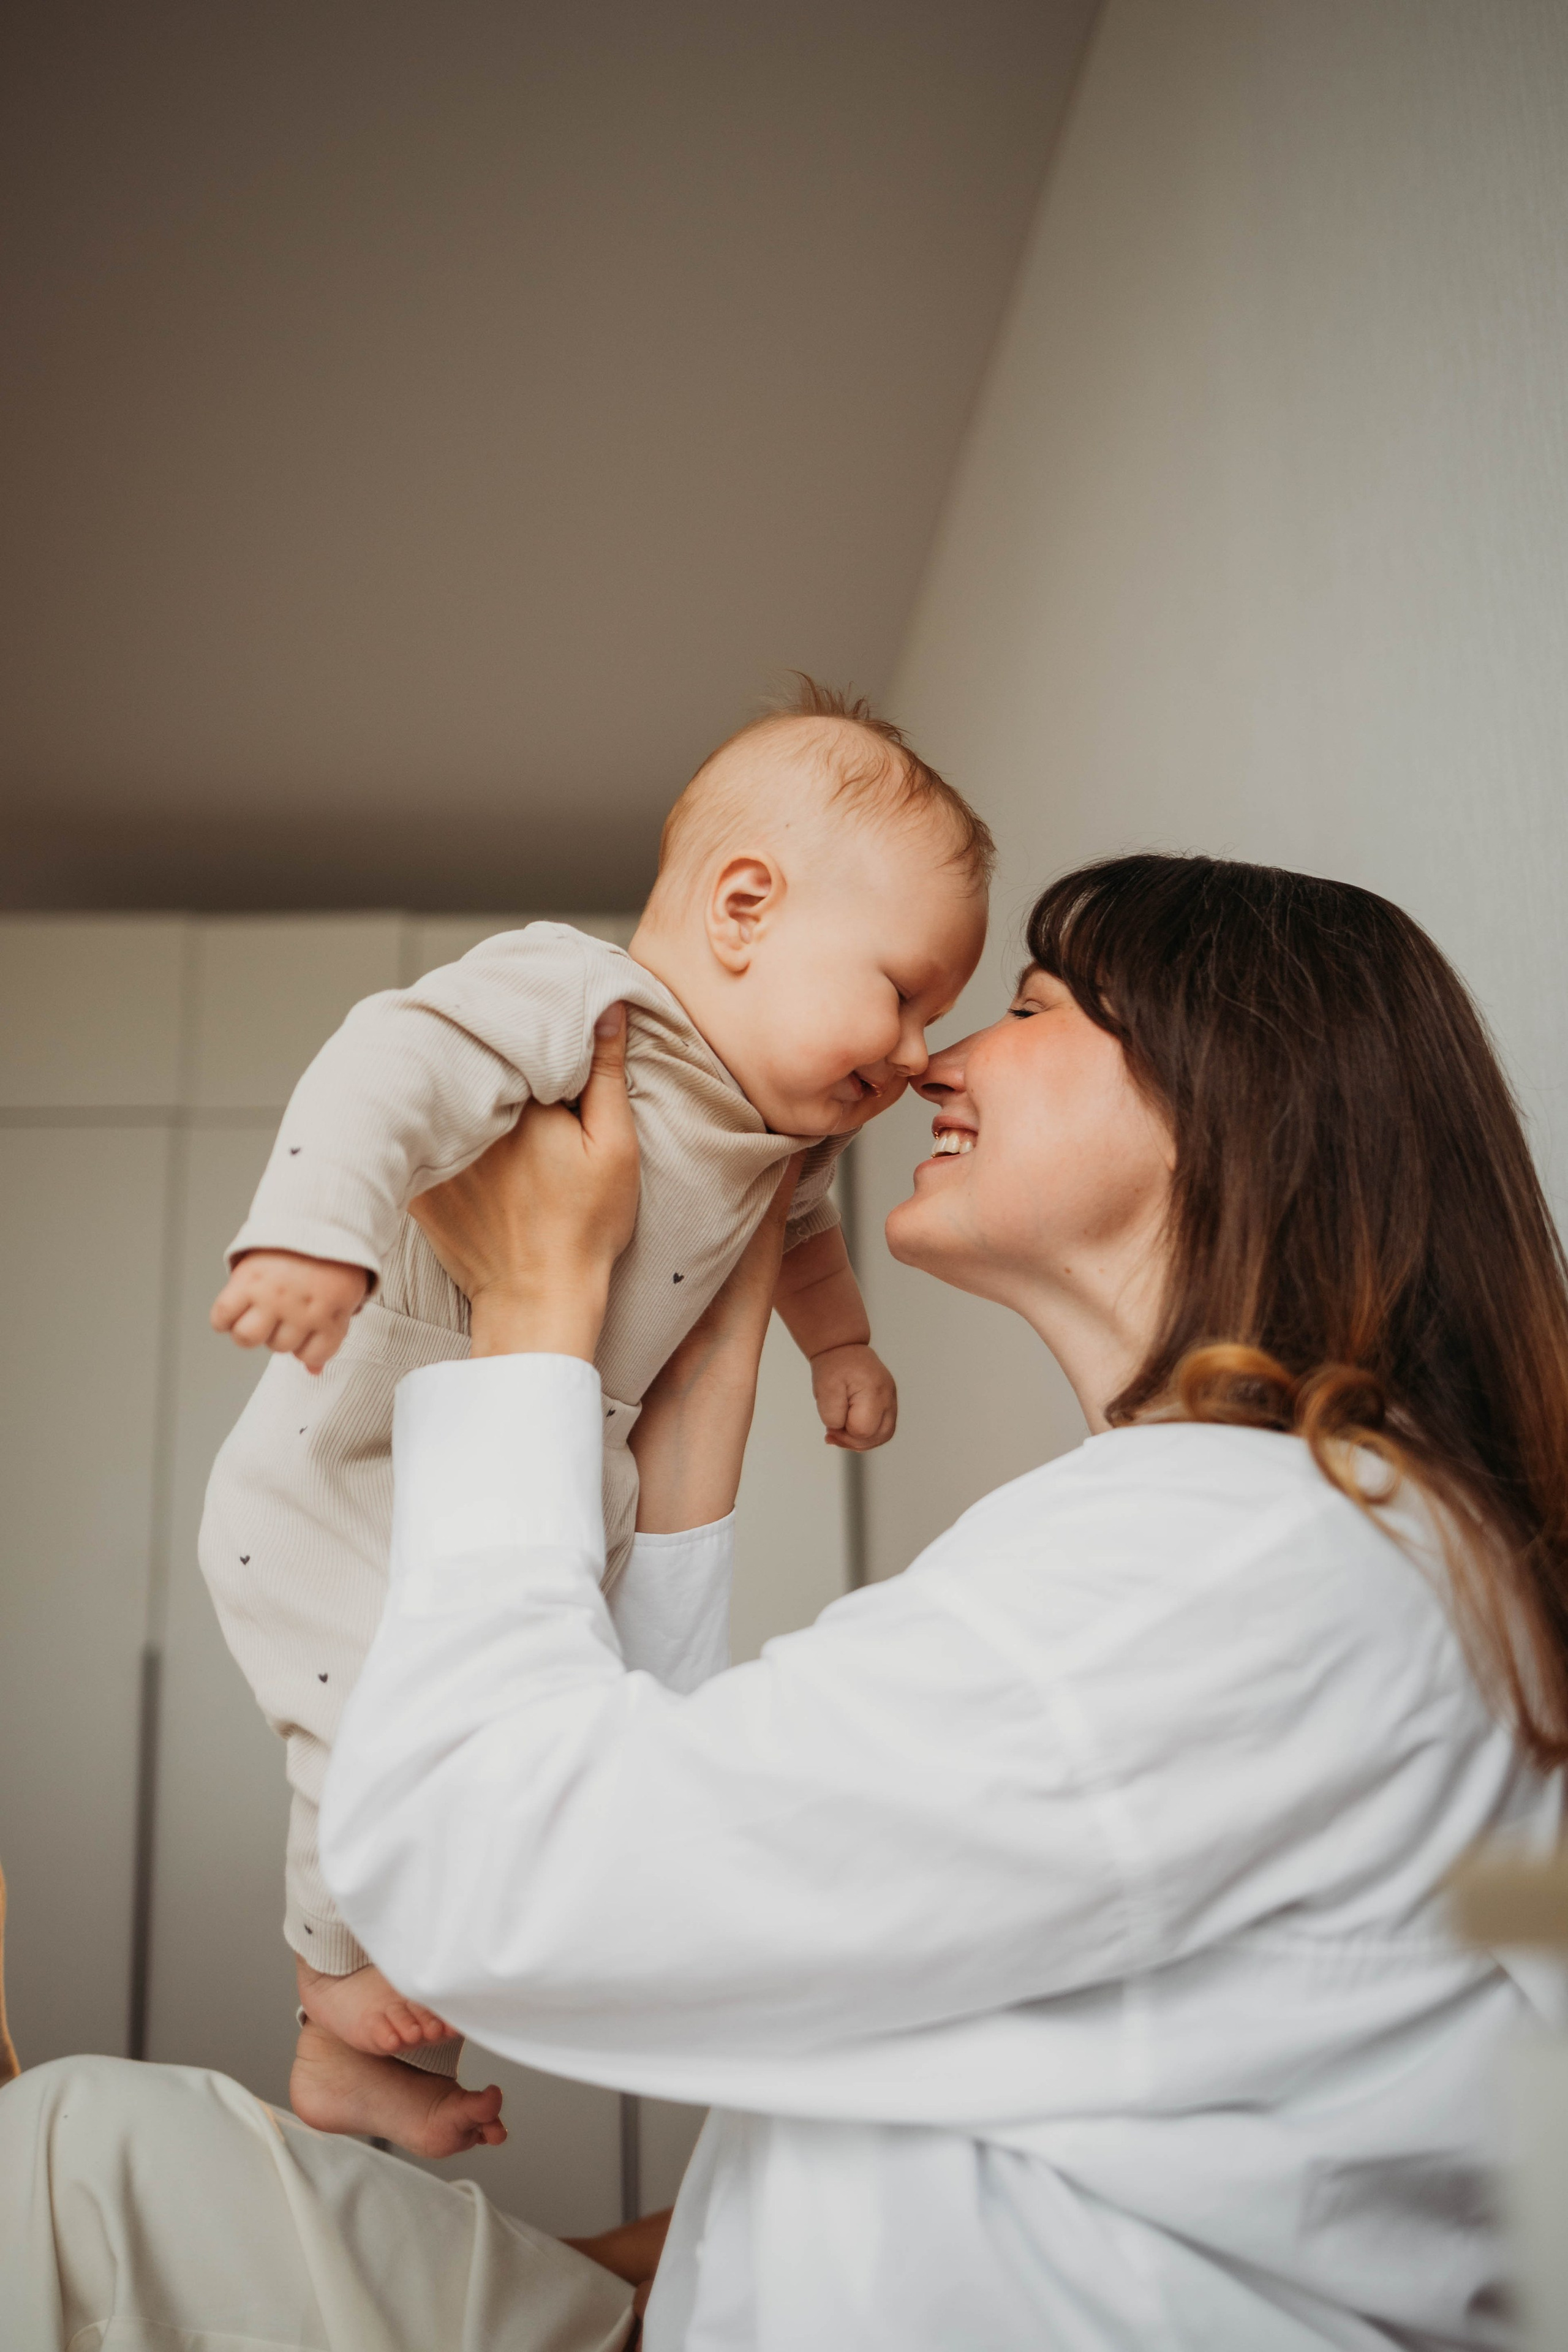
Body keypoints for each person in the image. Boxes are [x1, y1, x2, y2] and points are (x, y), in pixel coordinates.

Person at [318, 853, 1568, 2349]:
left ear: (1228, 1096)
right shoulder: (1301, 1543)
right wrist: (718, 1296)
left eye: (1030, 1009)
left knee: (73, 2170)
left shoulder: (1226, 1555)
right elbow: (1018, 2071)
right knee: (100, 2158)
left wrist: (531, 1313)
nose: (934, 1062)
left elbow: (506, 1881)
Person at [195, 678, 992, 2154]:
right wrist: (314, 1228)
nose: (919, 1055)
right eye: (901, 991)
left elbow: (804, 1253)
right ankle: (325, 1996)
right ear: (742, 907)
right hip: (369, 1452)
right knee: (375, 1738)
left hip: (563, 1460)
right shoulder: (579, 1000)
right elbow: (394, 1057)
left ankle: (376, 2061)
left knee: (502, 1764)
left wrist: (844, 1350)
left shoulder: (780, 1145)